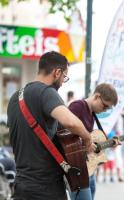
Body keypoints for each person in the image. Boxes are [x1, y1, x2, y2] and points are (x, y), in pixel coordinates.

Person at [7, 51, 95, 200]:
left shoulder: (15, 98)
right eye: (64, 77)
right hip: (46, 188)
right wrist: (87, 138)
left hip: (21, 186)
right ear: (57, 72)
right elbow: (71, 122)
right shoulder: (46, 92)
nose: (62, 82)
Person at [68, 83, 118, 200]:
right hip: (77, 169)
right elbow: (63, 134)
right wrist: (86, 142)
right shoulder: (78, 106)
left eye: (108, 108)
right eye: (105, 106)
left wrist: (110, 143)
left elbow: (91, 141)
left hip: (88, 169)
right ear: (96, 96)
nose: (105, 110)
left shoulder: (92, 113)